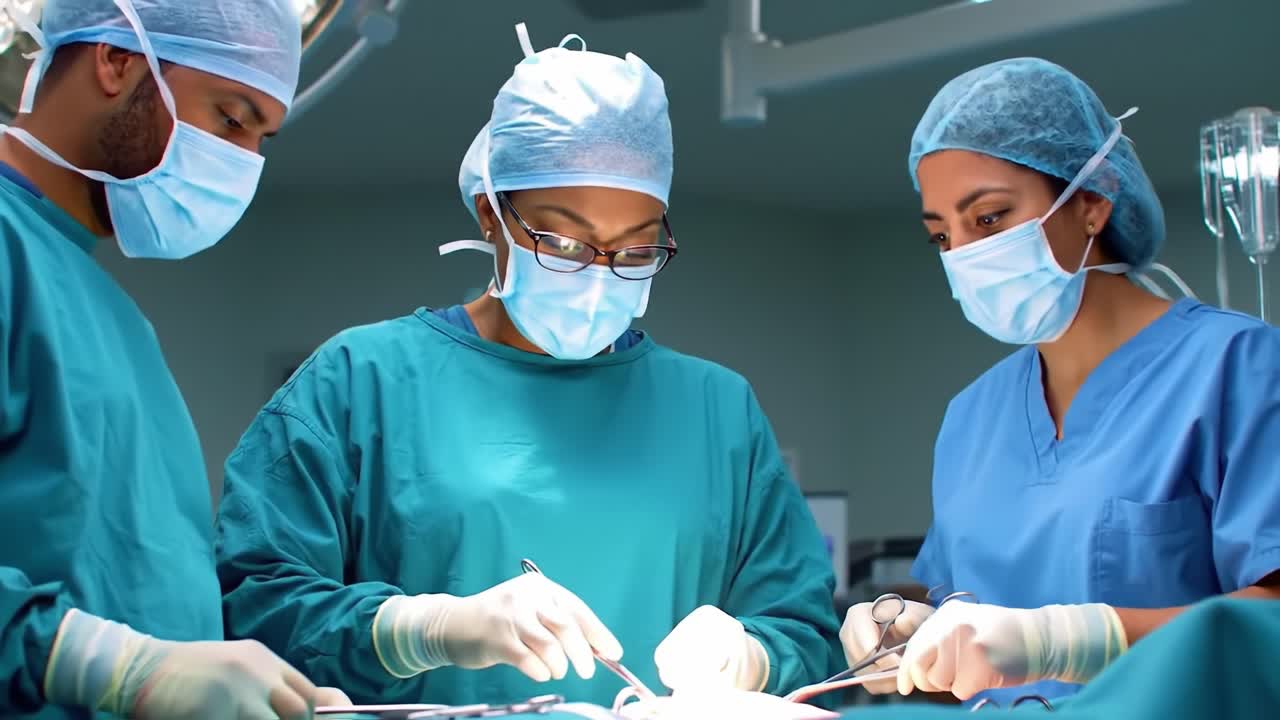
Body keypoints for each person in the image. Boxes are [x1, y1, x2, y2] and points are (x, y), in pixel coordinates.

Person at [215, 23, 841, 708]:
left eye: (634, 250)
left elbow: (806, 634)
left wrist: (750, 656)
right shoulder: (358, 382)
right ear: (492, 215)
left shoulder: (718, 409)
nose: (601, 276)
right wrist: (421, 631)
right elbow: (252, 610)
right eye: (565, 244)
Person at [839, 57, 1280, 707]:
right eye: (942, 236)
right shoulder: (973, 416)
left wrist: (1070, 638)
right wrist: (907, 628)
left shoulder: (1239, 369)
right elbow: (968, 611)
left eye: (987, 218)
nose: (964, 253)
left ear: (1093, 203)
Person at [0, 1, 348, 718]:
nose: (243, 162)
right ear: (117, 61)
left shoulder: (109, 312)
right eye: (231, 118)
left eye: (261, 138)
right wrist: (106, 667)